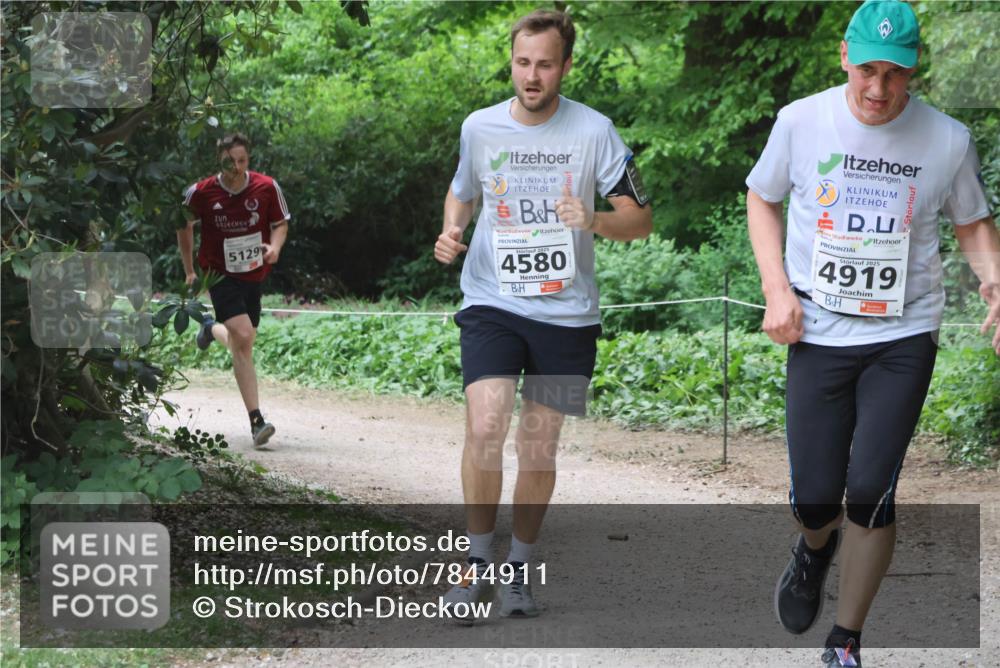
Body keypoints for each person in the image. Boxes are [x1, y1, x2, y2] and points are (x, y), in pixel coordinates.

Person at [746, 1, 999, 665]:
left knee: (870, 491)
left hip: (903, 334)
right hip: (818, 330)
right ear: (844, 57)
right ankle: (814, 547)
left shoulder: (946, 139)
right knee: (815, 498)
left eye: (895, 73)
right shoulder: (801, 122)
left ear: (915, 70)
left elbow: (972, 221)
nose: (879, 88)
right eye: (867, 70)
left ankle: (845, 641)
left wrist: (994, 280)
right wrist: (776, 288)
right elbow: (762, 197)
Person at [434, 8, 652, 623]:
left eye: (545, 65)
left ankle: (519, 570)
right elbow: (462, 191)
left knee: (537, 446)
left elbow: (640, 218)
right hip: (492, 302)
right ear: (512, 61)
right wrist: (453, 228)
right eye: (523, 63)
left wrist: (594, 219)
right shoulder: (479, 127)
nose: (532, 76)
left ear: (566, 66)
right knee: (485, 425)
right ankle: (476, 565)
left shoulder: (595, 131)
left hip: (567, 317)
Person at [177, 132, 291, 448]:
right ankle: (257, 421)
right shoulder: (201, 192)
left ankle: (209, 327)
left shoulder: (267, 187)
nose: (236, 168)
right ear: (220, 160)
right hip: (219, 274)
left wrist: (275, 248)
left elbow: (280, 224)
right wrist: (189, 270)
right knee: (242, 335)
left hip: (253, 274)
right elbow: (184, 225)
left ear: (248, 159)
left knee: (244, 339)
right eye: (230, 162)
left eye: (242, 161)